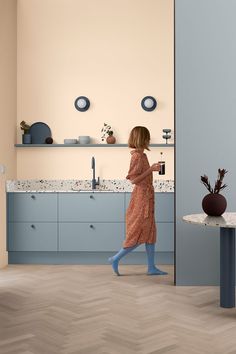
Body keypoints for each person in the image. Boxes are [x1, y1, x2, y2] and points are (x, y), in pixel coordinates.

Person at [108, 126, 168, 276]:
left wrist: (151, 169)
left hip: (147, 197)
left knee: (150, 233)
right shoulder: (137, 156)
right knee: (137, 232)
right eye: (147, 137)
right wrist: (151, 170)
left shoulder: (143, 155)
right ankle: (115, 258)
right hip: (142, 199)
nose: (149, 139)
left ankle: (151, 267)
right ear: (142, 138)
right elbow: (133, 179)